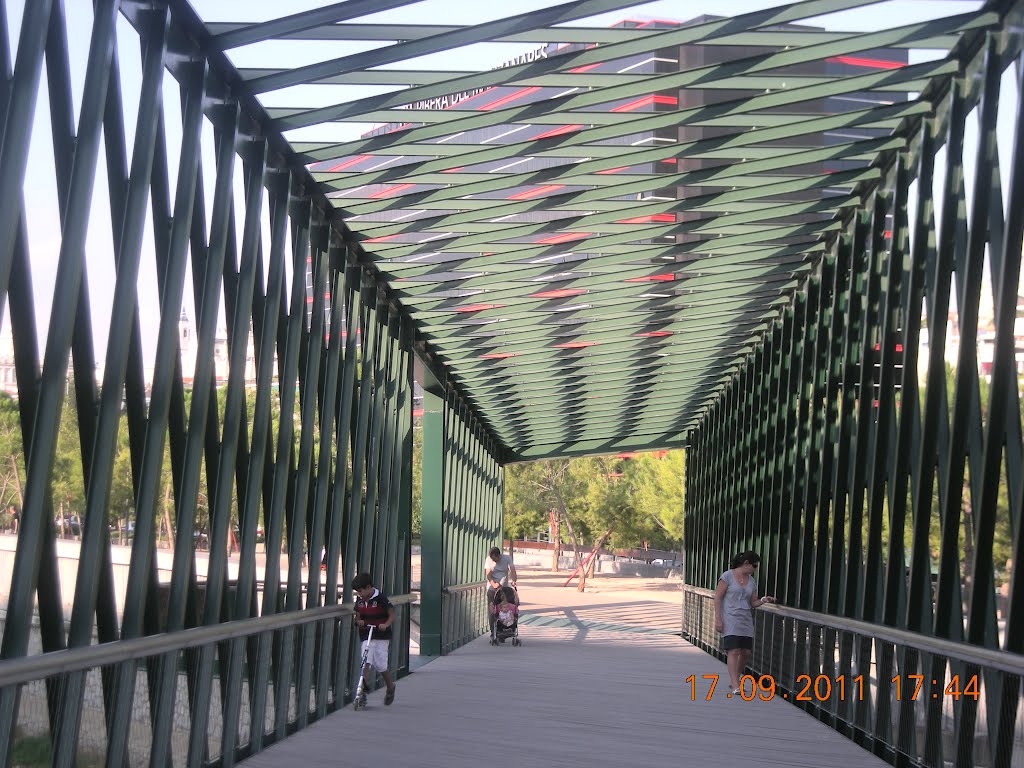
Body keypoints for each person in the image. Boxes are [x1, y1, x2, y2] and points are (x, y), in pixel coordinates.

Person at [714, 551, 776, 695]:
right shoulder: (727, 576)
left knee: (746, 652)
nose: (755, 569)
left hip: (745, 619)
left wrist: (763, 600)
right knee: (733, 650)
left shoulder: (751, 581)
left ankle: (735, 678)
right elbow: (717, 598)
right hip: (730, 617)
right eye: (754, 566)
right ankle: (736, 684)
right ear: (746, 563)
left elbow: (752, 602)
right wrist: (718, 619)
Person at [353, 572, 397, 705]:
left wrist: (386, 624)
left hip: (381, 636)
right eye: (357, 592)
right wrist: (358, 621)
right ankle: (362, 692)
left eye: (361, 591)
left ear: (368, 587)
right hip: (367, 634)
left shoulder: (381, 598)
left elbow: (392, 614)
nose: (359, 594)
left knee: (380, 665)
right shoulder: (360, 600)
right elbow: (358, 616)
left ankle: (390, 686)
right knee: (366, 659)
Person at [484, 546, 517, 637]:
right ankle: (493, 631)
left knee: (504, 609)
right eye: (492, 558)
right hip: (492, 588)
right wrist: (493, 584)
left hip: (504, 589)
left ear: (499, 556)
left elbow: (512, 570)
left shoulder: (507, 558)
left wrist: (514, 580)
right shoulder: (488, 560)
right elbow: (488, 574)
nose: (493, 560)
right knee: (492, 610)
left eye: (495, 558)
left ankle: (503, 630)